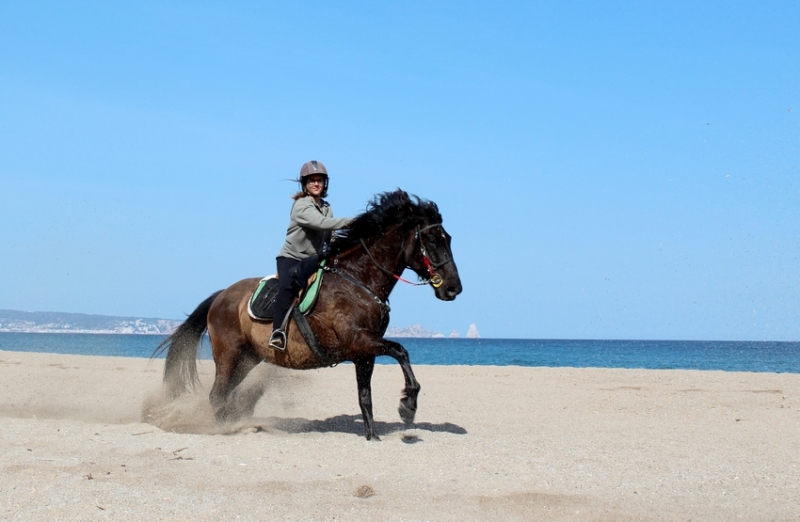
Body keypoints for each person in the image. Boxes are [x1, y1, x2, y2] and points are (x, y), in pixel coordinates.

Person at [269, 160, 351, 350]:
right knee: (288, 286)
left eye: (319, 180)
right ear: (304, 184)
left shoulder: (326, 207)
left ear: (325, 184)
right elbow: (321, 223)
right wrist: (353, 222)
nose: (316, 184)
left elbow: (330, 235)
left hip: (314, 259)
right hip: (292, 258)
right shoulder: (301, 205)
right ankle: (277, 332)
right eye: (311, 180)